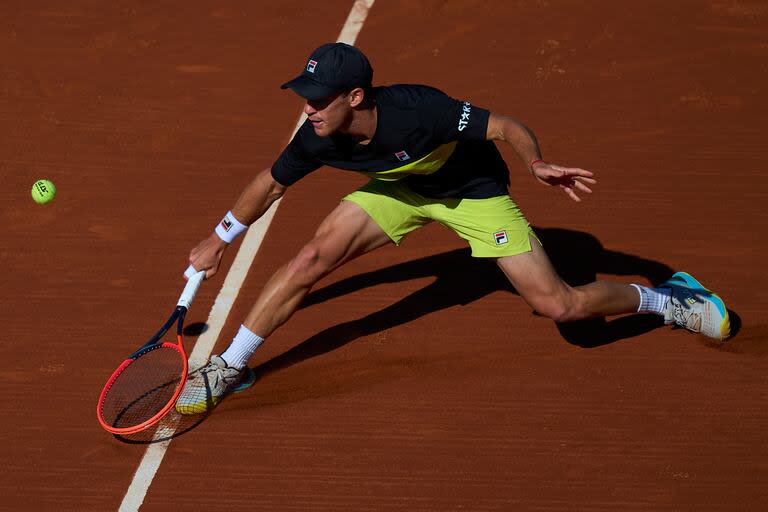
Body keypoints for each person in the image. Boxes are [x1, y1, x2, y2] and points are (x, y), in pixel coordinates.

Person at [175, 43, 730, 414]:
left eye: (318, 100)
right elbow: (270, 184)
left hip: (471, 193)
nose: (308, 109)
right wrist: (218, 239)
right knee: (309, 261)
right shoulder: (317, 136)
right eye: (304, 97)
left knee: (562, 308)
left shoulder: (422, 112)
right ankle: (230, 366)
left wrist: (535, 162)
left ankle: (667, 298)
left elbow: (506, 125)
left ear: (356, 97)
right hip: (401, 190)